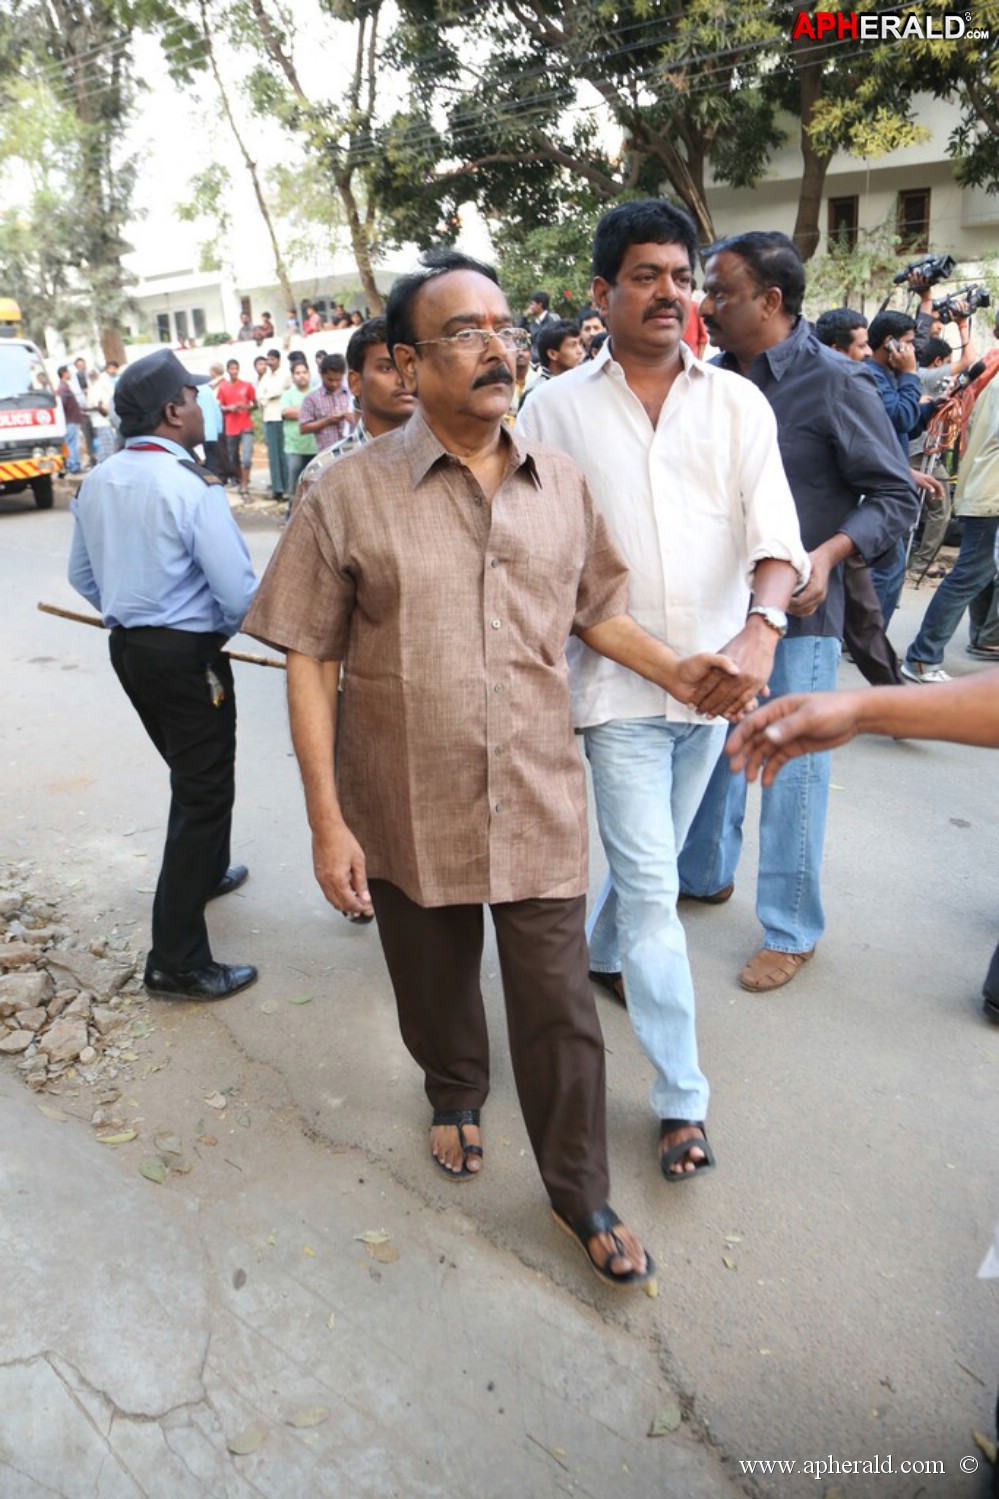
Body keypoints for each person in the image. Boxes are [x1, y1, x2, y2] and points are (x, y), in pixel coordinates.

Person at [243, 249, 752, 1288]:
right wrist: (326, 817)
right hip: (404, 792)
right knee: (431, 981)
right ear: (405, 360)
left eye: (504, 328)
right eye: (464, 333)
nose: (495, 349)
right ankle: (454, 1088)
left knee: (561, 1005)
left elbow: (598, 611)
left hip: (534, 788)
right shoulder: (345, 494)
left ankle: (578, 1189)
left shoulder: (558, 483)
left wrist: (681, 668)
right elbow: (309, 654)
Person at [518, 198, 809, 1179]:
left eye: (682, 278)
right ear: (602, 293)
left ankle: (608, 957)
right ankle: (682, 1098)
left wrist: (762, 630)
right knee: (653, 889)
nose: (670, 294)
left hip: (717, 697)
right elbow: (541, 565)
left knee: (657, 866)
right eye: (646, 275)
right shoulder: (551, 412)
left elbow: (777, 540)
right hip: (614, 696)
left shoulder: (736, 404)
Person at [677, 230, 919, 992]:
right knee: (714, 756)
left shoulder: (834, 384)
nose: (704, 306)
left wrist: (831, 553)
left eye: (720, 292)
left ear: (771, 302)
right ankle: (706, 872)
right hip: (716, 611)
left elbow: (893, 496)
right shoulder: (708, 382)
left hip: (801, 617)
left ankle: (789, 927)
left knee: (788, 769)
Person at [67, 348, 258, 1001]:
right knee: (203, 789)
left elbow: (81, 577)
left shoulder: (98, 479)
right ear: (173, 411)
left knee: (193, 770)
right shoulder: (187, 485)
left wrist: (137, 614)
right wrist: (201, 636)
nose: (201, 404)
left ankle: (202, 871)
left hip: (131, 650)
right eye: (193, 394)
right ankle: (175, 960)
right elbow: (237, 593)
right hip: (185, 656)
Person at [814, 308, 905, 687]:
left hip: (845, 529)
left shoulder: (852, 382)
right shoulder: (835, 386)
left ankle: (896, 700)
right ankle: (897, 700)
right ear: (836, 349)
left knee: (865, 619)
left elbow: (869, 454)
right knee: (861, 620)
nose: (869, 353)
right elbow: (902, 417)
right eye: (863, 345)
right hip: (829, 531)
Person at [903, 363, 999, 679]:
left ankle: (984, 640)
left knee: (982, 571)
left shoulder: (993, 384)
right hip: (990, 495)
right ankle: (922, 657)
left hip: (982, 491)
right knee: (970, 574)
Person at [293, 315, 416, 506]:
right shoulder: (321, 474)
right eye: (387, 368)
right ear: (355, 383)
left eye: (410, 365)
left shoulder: (450, 461)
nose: (404, 378)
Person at [864, 311, 925, 627]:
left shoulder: (887, 375)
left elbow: (906, 426)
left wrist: (928, 406)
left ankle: (867, 634)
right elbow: (899, 417)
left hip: (892, 479)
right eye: (908, 343)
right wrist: (911, 376)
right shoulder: (873, 375)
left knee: (889, 566)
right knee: (885, 567)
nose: (913, 351)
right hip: (878, 486)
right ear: (889, 344)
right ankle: (864, 635)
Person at [217, 357, 256, 500]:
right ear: (228, 370)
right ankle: (242, 480)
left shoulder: (247, 386)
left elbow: (255, 404)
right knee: (233, 459)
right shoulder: (223, 387)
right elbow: (220, 406)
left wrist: (247, 407)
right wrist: (229, 407)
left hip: (246, 425)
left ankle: (244, 486)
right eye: (231, 368)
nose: (234, 371)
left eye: (236, 368)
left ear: (239, 369)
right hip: (231, 427)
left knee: (246, 457)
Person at [298, 353, 353, 454]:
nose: (334, 384)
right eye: (330, 379)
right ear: (321, 374)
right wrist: (328, 421)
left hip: (350, 452)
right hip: (327, 454)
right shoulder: (311, 398)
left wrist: (353, 418)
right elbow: (303, 428)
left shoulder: (351, 394)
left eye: (338, 380)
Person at [256, 347, 291, 501]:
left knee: (283, 454)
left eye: (272, 359)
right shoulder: (266, 377)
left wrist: (267, 396)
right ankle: (277, 489)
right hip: (269, 417)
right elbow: (259, 395)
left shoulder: (284, 374)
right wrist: (267, 397)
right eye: (268, 359)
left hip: (281, 417)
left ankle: (286, 487)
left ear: (278, 360)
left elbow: (279, 392)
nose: (269, 362)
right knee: (273, 455)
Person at [280, 360, 318, 500]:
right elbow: (286, 413)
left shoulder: (316, 392)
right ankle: (290, 520)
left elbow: (321, 413)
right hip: (294, 448)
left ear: (309, 373)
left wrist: (298, 411)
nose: (301, 376)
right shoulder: (288, 394)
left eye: (304, 372)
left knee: (314, 488)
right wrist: (310, 412)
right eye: (298, 373)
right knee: (294, 489)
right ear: (293, 376)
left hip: (315, 448)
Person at [521, 319, 583, 395]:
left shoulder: (580, 384)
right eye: (573, 345)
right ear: (552, 354)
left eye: (580, 344)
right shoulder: (536, 393)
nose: (580, 351)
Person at [56, 365, 83, 474]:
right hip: (69, 420)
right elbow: (63, 404)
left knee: (71, 443)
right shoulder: (63, 388)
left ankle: (73, 464)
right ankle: (74, 465)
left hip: (70, 419)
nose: (70, 374)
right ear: (64, 373)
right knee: (72, 444)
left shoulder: (64, 386)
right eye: (68, 372)